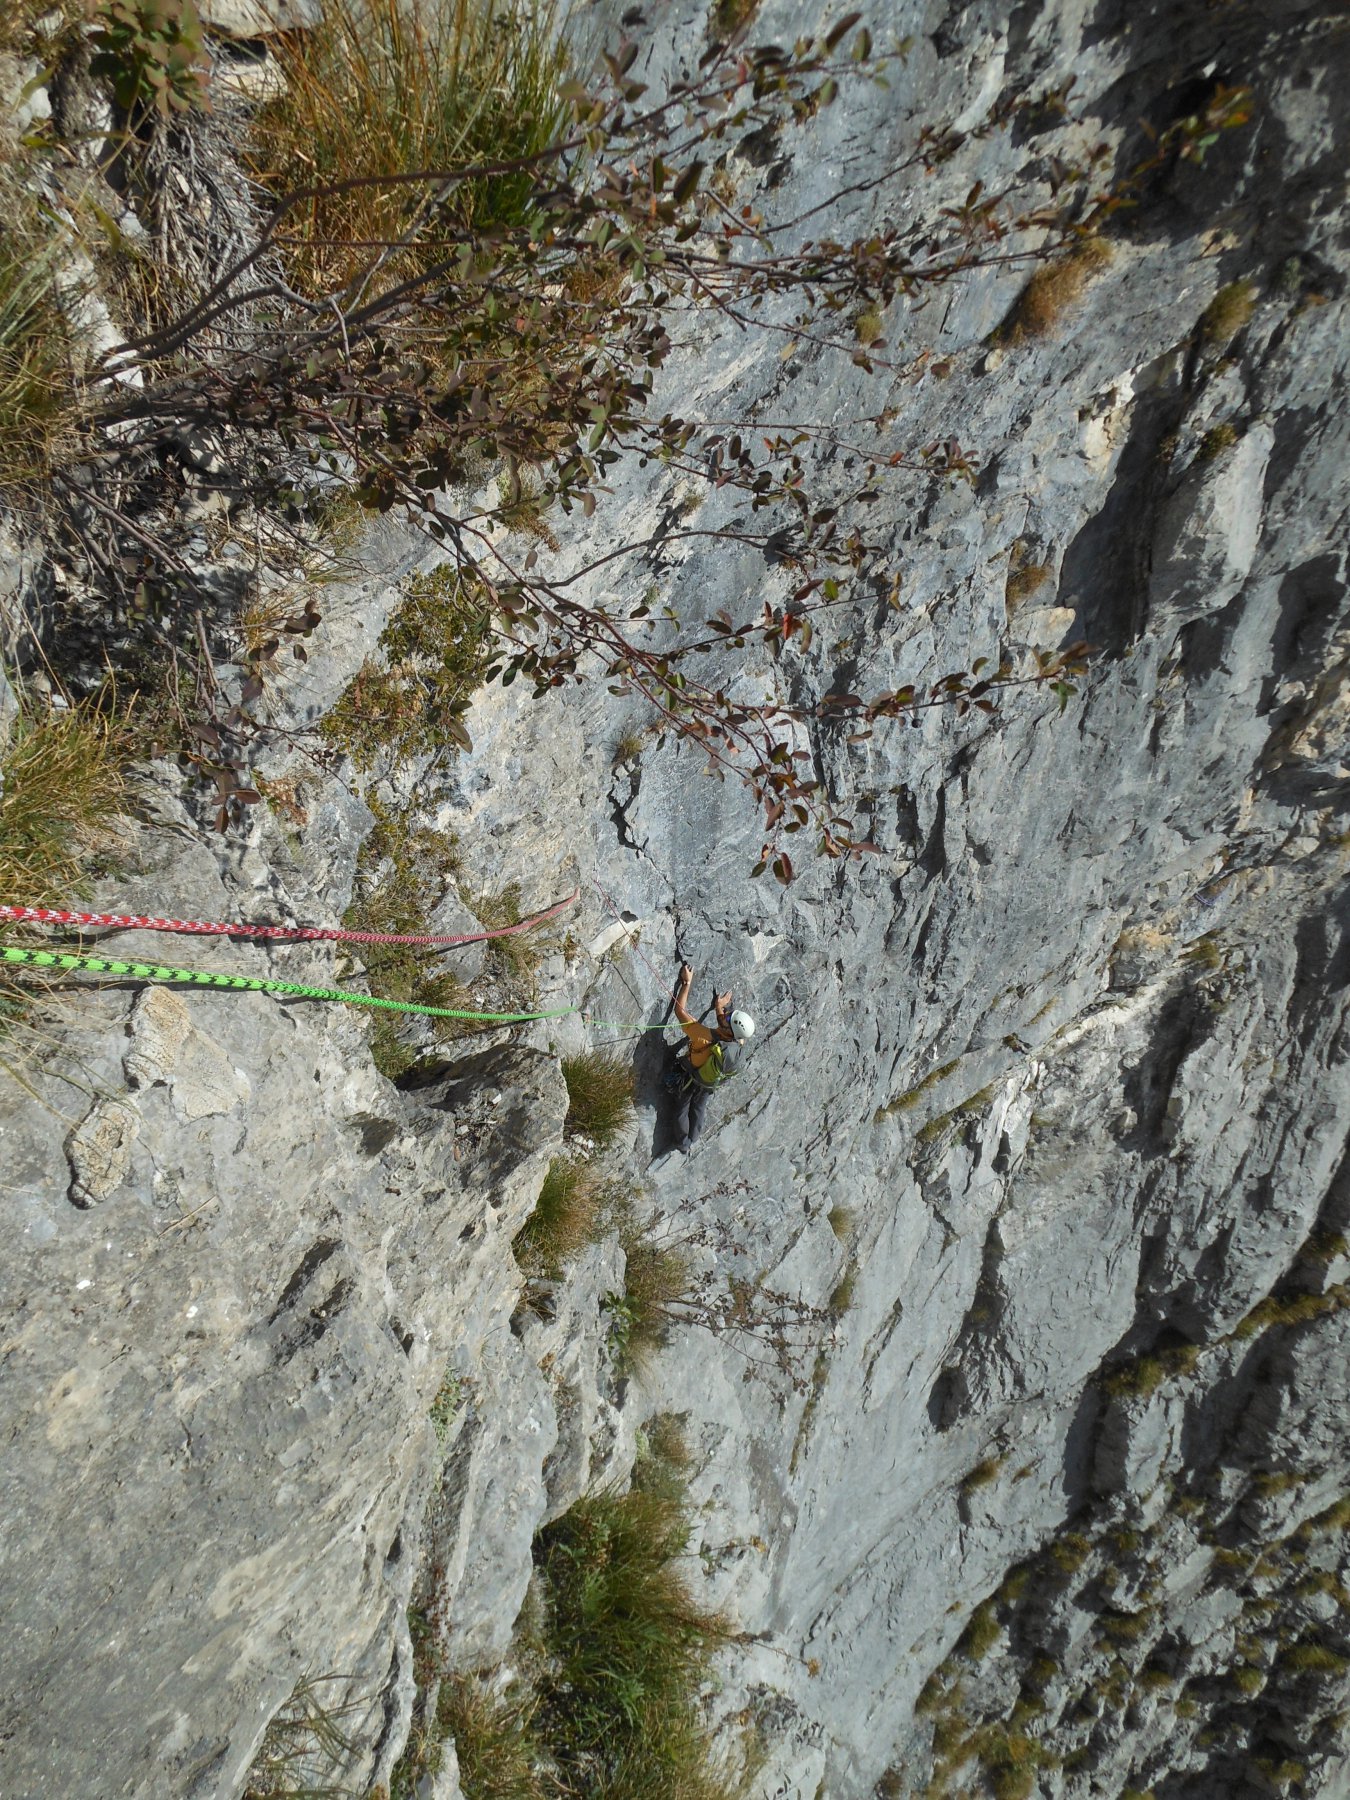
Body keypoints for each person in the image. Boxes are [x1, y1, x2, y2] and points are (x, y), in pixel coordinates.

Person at [668, 960, 755, 1151]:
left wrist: (686, 983)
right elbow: (726, 1029)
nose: (726, 1015)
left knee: (681, 1111)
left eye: (728, 1017)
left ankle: (683, 1144)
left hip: (692, 1077)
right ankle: (694, 1137)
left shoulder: (703, 1036)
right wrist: (718, 1007)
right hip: (709, 1082)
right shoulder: (737, 1041)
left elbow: (679, 1011)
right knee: (698, 1109)